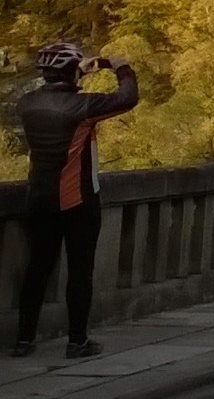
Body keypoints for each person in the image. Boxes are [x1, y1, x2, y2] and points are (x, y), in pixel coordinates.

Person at [12, 41, 138, 359]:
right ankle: (77, 341)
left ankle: (23, 340)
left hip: (38, 197)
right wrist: (119, 65)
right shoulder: (81, 108)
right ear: (71, 72)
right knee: (79, 271)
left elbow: (59, 93)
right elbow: (127, 98)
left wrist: (76, 73)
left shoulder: (27, 104)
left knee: (37, 269)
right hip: (77, 199)